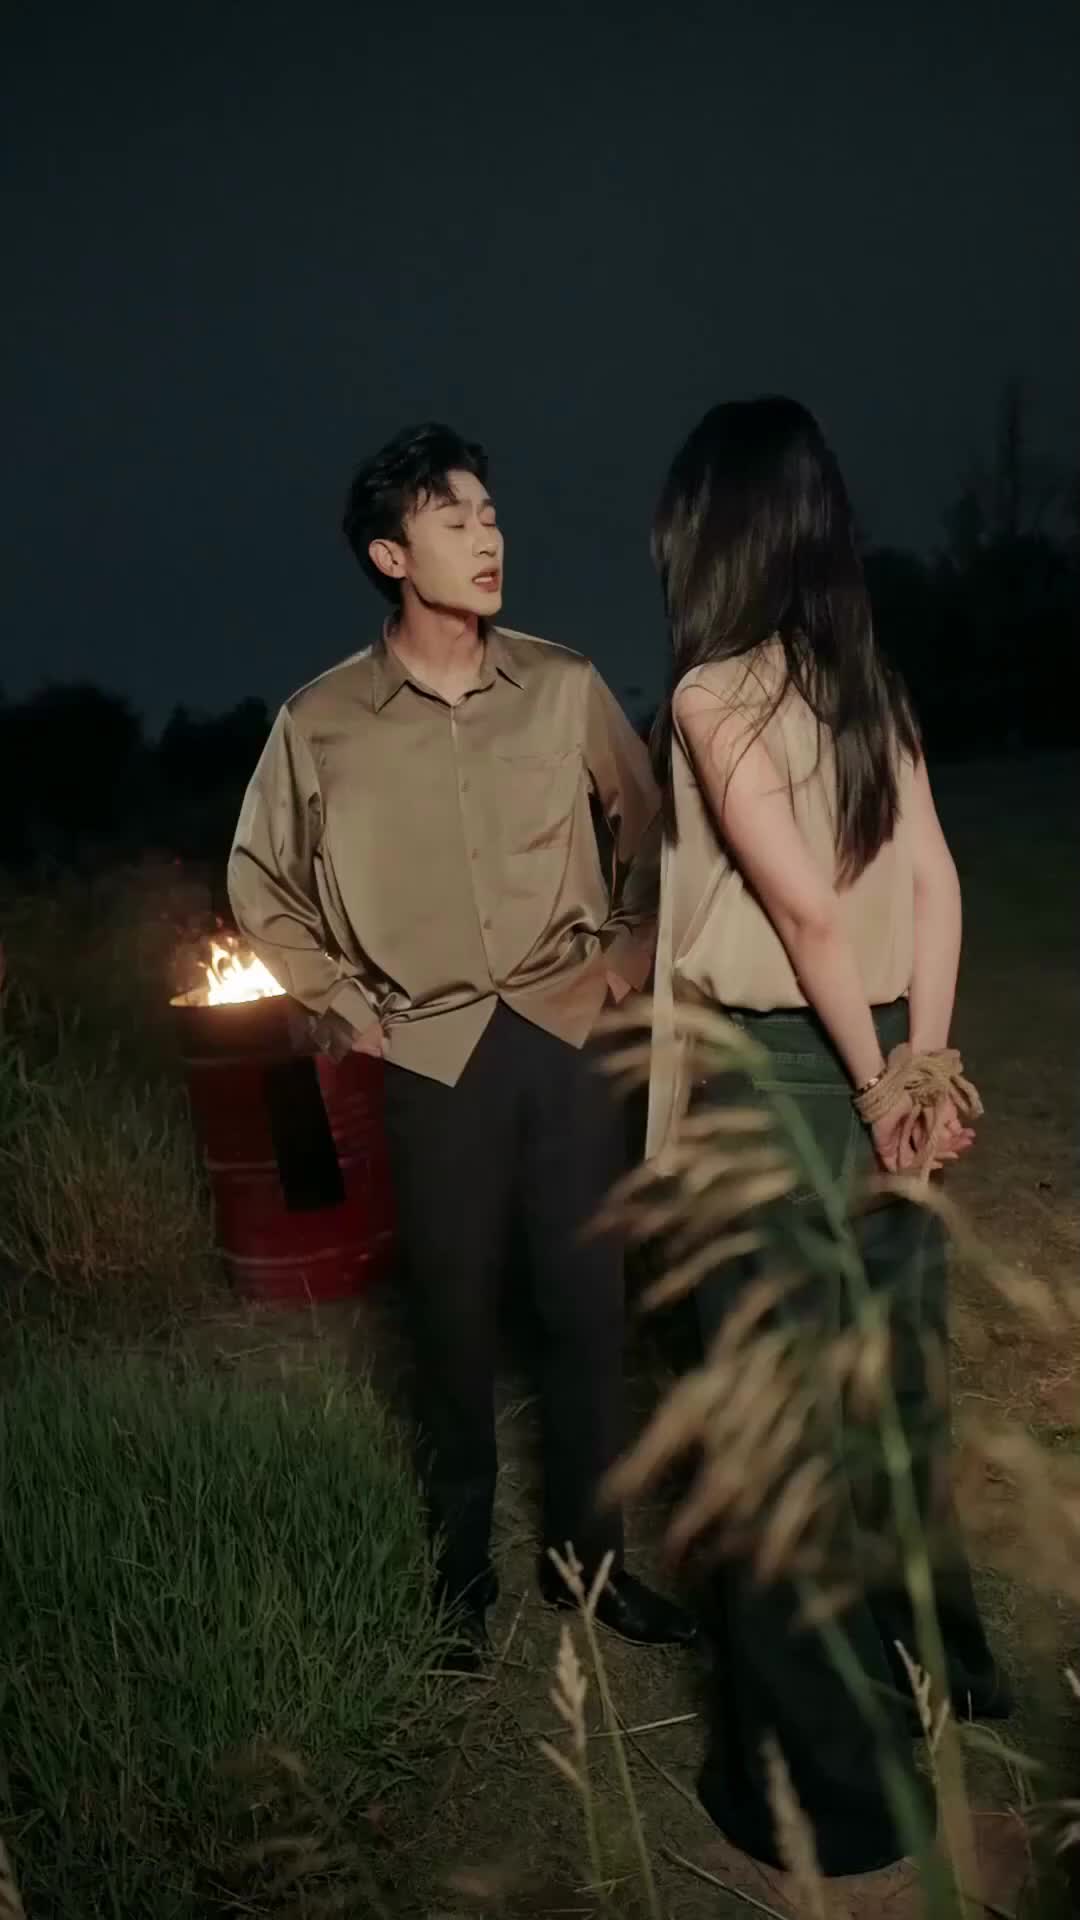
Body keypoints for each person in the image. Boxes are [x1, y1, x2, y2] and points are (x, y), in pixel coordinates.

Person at [229, 421, 696, 1664]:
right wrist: (344, 1005)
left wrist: (627, 955)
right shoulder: (320, 720)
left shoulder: (562, 686)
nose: (489, 538)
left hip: (566, 1032)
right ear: (392, 555)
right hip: (430, 1056)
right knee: (450, 1326)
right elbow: (260, 881)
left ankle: (592, 1567)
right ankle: (460, 1578)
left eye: (490, 514)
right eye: (454, 519)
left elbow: (656, 836)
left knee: (589, 1312)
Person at [644, 397, 1007, 1884]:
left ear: (716, 529)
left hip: (789, 1083)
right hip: (887, 1056)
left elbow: (803, 914)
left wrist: (879, 1096)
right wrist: (925, 1070)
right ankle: (944, 1669)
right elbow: (934, 882)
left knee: (788, 1431)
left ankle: (830, 1798)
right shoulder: (867, 679)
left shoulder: (710, 694)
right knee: (888, 1395)